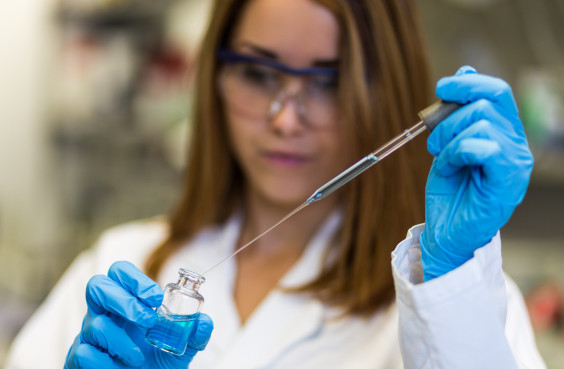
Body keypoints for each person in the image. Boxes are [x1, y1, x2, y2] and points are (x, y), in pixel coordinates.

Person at [5, 0, 546, 368]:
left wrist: (449, 279)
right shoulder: (120, 265)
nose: (286, 120)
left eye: (328, 81)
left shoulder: (453, 297)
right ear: (215, 78)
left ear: (384, 91)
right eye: (260, 74)